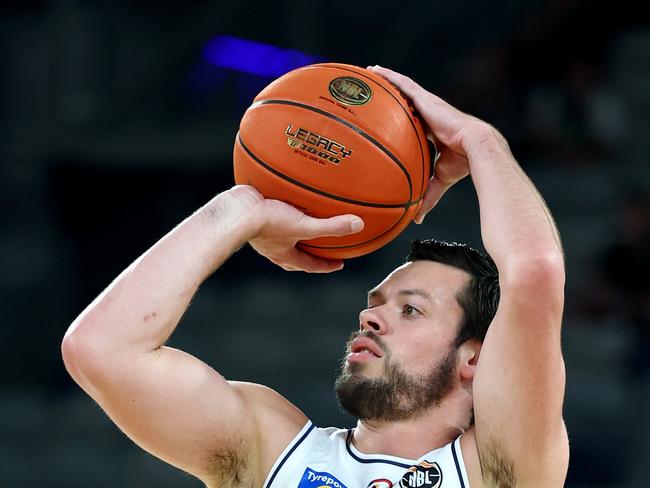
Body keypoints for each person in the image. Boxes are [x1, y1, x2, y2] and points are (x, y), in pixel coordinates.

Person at [61, 65, 569, 488]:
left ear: (473, 358)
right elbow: (101, 349)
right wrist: (240, 209)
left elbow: (535, 272)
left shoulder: (498, 469)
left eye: (410, 309)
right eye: (375, 303)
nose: (371, 317)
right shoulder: (267, 448)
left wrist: (478, 141)